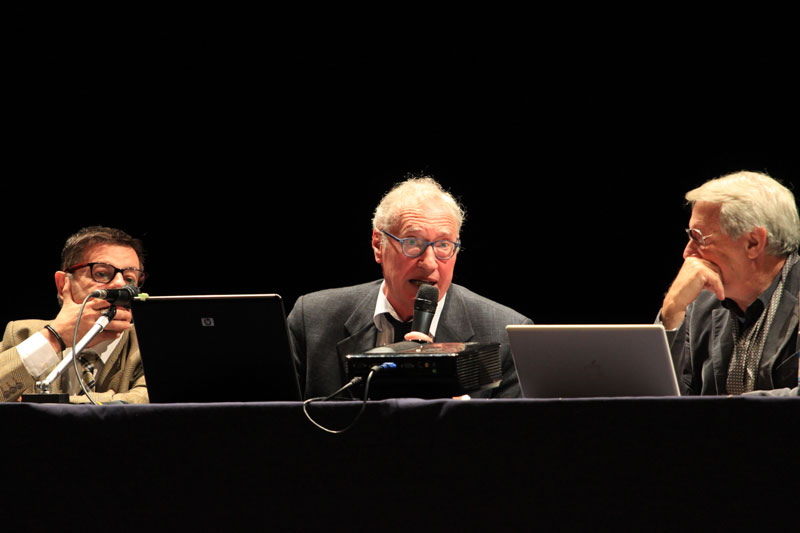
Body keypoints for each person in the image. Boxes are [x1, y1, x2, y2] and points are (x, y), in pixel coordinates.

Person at [288, 176, 532, 399]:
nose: (429, 263)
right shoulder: (311, 319)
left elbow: (512, 441)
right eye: (413, 242)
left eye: (444, 245)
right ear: (378, 245)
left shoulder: (506, 334)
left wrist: (461, 416)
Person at [660, 171, 800, 395]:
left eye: (698, 238)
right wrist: (673, 308)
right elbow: (657, 398)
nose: (687, 253)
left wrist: (729, 413)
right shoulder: (698, 301)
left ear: (753, 243)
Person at [0, 226, 149, 403]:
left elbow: (144, 404)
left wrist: (40, 404)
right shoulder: (22, 334)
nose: (120, 284)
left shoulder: (148, 344)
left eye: (130, 279)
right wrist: (55, 337)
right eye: (101, 273)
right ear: (63, 284)